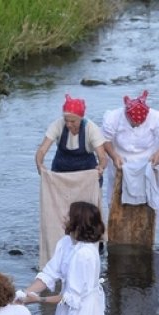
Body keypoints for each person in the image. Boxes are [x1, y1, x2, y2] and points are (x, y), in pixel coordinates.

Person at [34, 94, 108, 268]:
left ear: (81, 118)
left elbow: (103, 157)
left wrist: (100, 168)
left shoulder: (91, 129)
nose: (69, 124)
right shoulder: (57, 125)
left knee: (85, 215)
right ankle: (60, 250)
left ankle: (90, 249)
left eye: (73, 121)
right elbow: (42, 149)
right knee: (61, 214)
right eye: (66, 120)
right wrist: (40, 164)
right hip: (61, 175)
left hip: (85, 178)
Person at [101, 90, 159, 223]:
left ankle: (147, 224)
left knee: (150, 196)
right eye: (134, 122)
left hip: (148, 158)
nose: (138, 125)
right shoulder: (114, 117)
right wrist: (113, 155)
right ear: (127, 116)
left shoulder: (156, 117)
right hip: (120, 158)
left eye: (141, 122)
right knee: (117, 196)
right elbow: (104, 139)